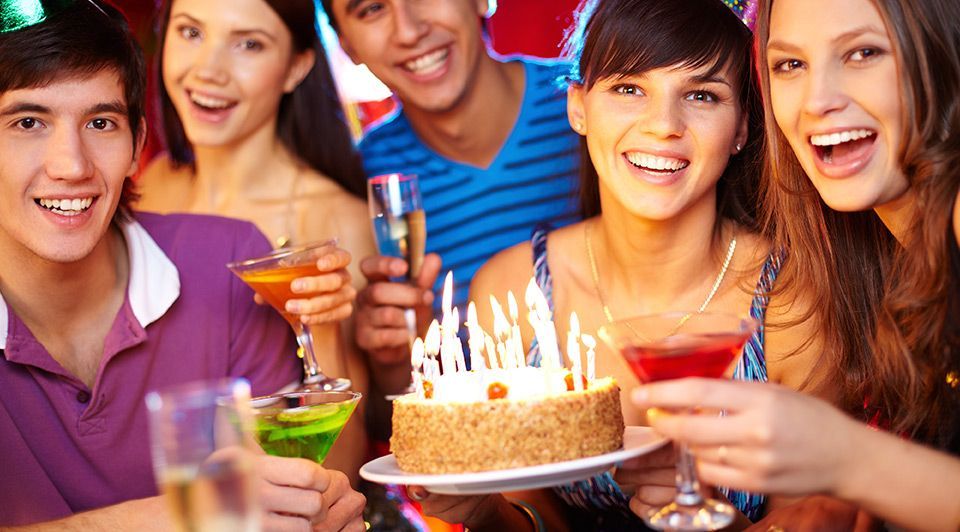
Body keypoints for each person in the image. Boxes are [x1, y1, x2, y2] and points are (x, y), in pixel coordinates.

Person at [407, 0, 829, 528]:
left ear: (742, 126)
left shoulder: (793, 300)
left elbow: (822, 517)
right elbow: (532, 519)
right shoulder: (513, 295)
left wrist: (720, 523)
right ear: (578, 106)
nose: (663, 126)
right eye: (629, 89)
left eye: (701, 95)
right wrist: (484, 512)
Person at [0, 1, 364, 528]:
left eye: (101, 122)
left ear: (135, 148)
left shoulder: (227, 263)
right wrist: (178, 517)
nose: (71, 165)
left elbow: (292, 500)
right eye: (28, 121)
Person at [631, 0, 960, 529]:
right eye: (790, 65)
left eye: (863, 53)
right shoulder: (859, 253)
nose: (817, 102)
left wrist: (847, 458)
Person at [136, 0, 376, 481]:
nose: (208, 70)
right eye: (190, 32)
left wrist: (322, 327)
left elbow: (344, 466)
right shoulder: (148, 187)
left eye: (249, 43)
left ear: (297, 67)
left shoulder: (337, 221)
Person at [319, 0, 583, 398]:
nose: (408, 31)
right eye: (372, 8)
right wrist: (398, 360)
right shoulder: (360, 183)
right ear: (347, 45)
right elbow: (383, 420)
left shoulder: (594, 107)